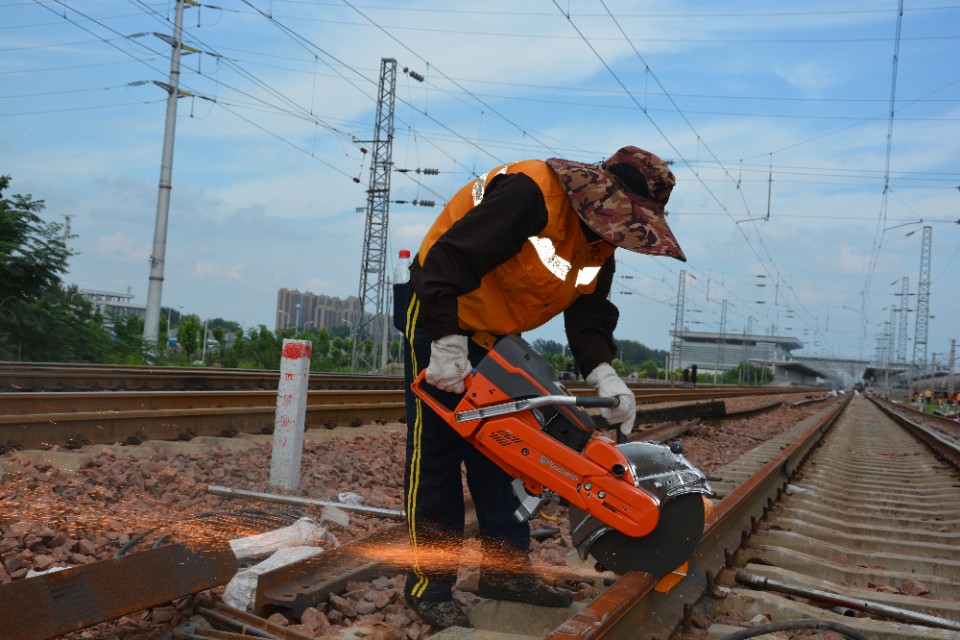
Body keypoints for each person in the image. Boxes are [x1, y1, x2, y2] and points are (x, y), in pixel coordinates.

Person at [394, 146, 686, 628]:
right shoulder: (532, 193)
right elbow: (446, 259)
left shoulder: (599, 242)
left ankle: (505, 573)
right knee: (438, 456)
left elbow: (589, 312)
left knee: (507, 452)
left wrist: (603, 372)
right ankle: (431, 584)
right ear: (602, 197)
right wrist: (446, 341)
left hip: (498, 336)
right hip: (440, 312)